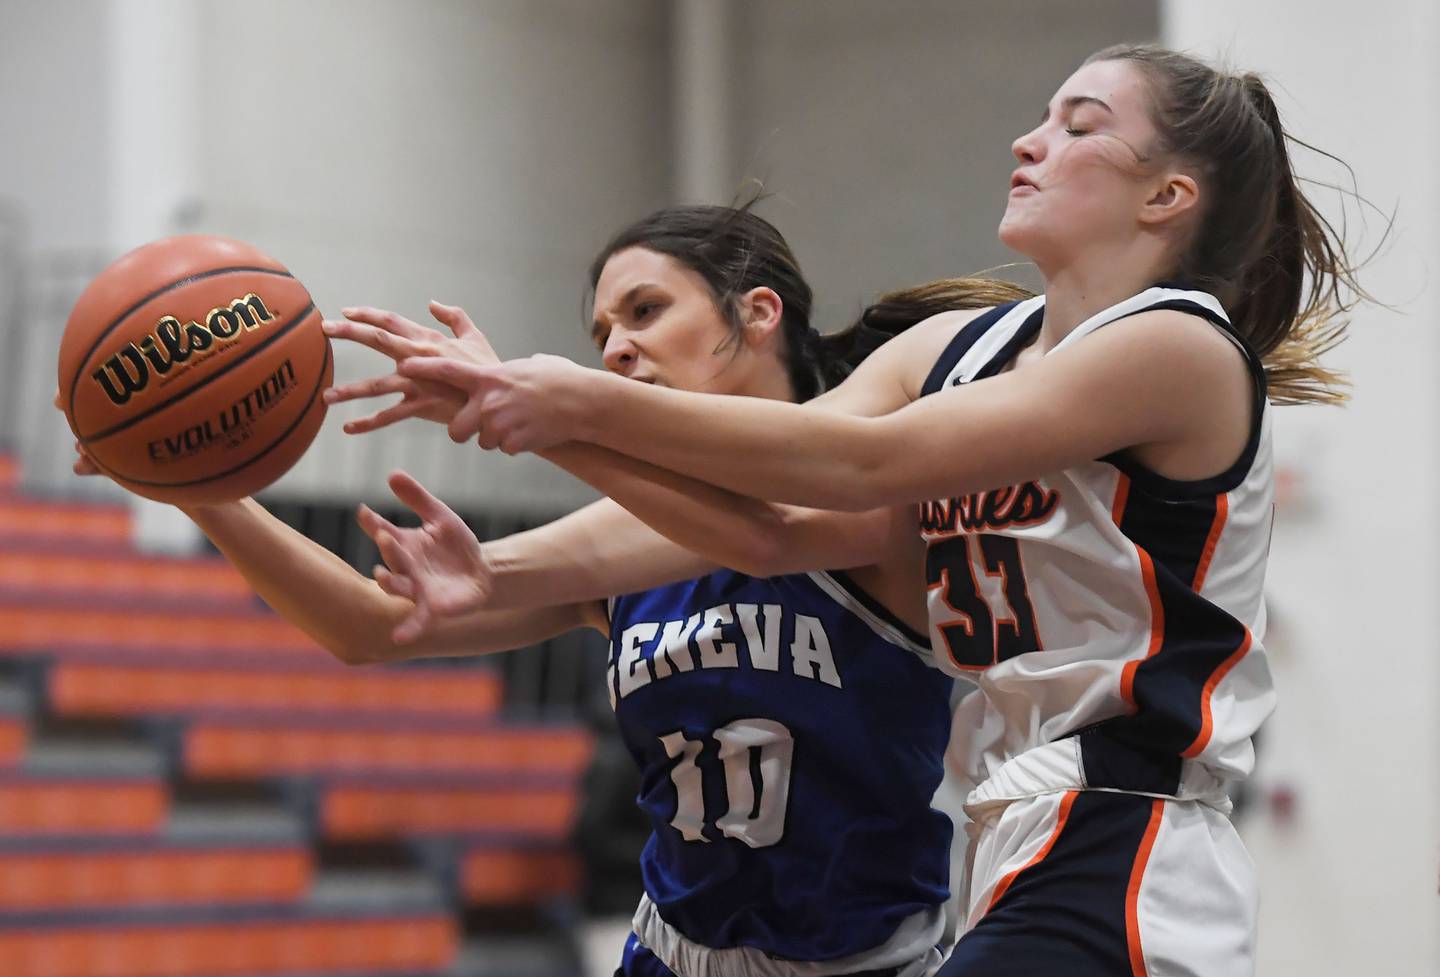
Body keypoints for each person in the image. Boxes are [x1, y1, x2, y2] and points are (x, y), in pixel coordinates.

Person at [373, 46, 1365, 976]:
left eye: (1079, 126)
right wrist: (534, 425)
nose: (1030, 142)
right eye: (1040, 121)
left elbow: (864, 461)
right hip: (1012, 828)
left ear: (1166, 194)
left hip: (1130, 833)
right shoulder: (969, 350)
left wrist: (572, 400)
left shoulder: (1179, 347)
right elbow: (772, 526)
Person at [71, 204, 1031, 976]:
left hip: (863, 960)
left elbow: (769, 525)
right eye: (602, 332)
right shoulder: (622, 547)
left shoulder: (873, 490)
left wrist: (540, 419)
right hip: (670, 953)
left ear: (758, 311)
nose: (614, 347)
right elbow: (374, 626)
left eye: (646, 312)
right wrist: (196, 487)